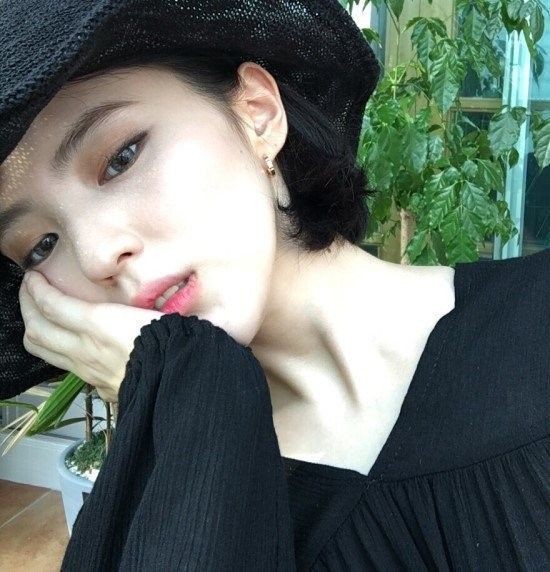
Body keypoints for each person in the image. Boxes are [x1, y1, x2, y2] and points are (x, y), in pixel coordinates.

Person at [0, 1, 548, 570]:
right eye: (41, 245)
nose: (95, 257)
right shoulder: (142, 518)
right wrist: (189, 397)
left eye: (121, 158)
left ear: (257, 115)